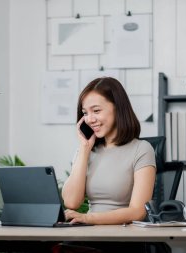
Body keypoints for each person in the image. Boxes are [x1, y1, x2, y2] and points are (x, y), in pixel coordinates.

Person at [57, 77, 157, 253]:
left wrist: (88, 219)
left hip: (123, 239)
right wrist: (85, 148)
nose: (89, 119)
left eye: (96, 110)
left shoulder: (142, 149)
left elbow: (137, 212)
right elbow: (72, 201)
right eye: (85, 113)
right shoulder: (85, 151)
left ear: (117, 108)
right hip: (89, 236)